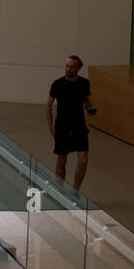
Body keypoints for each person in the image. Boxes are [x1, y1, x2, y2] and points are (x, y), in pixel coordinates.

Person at [47, 54, 96, 191]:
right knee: (62, 159)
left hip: (79, 126)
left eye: (71, 67)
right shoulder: (58, 84)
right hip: (62, 126)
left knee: (83, 159)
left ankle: (76, 191)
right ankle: (60, 190)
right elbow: (48, 105)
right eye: (67, 66)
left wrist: (90, 108)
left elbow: (86, 101)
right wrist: (51, 128)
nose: (68, 69)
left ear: (78, 68)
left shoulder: (84, 83)